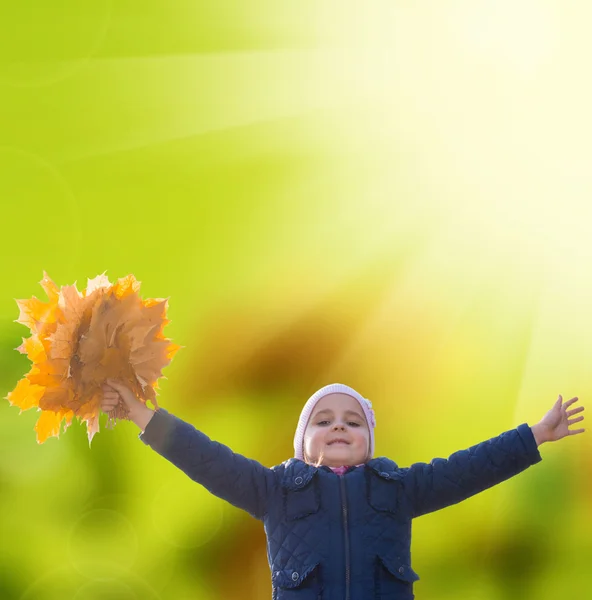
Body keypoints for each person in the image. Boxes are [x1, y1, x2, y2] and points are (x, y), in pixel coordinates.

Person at [101, 379, 585, 600]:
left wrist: (535, 435)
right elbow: (206, 457)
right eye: (323, 420)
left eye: (353, 422)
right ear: (301, 443)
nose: (339, 427)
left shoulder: (400, 488)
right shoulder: (274, 490)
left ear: (369, 444)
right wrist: (144, 416)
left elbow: (468, 469)